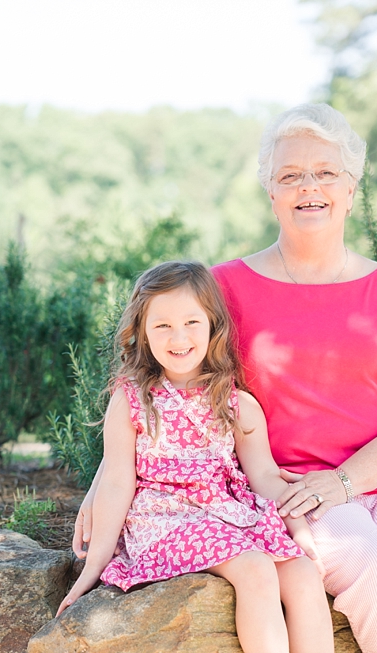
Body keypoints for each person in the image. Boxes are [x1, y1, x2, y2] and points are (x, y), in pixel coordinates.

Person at [73, 104, 377, 653]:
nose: (309, 188)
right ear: (271, 194)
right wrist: (106, 480)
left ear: (351, 189)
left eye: (326, 173)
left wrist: (347, 480)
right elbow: (160, 378)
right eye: (290, 176)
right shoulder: (224, 288)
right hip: (290, 492)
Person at [57, 261, 334, 653]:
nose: (178, 337)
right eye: (162, 325)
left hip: (224, 517)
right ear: (142, 332)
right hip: (163, 522)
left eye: (191, 322)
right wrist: (92, 569)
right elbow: (118, 482)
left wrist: (299, 532)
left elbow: (266, 479)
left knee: (304, 575)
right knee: (255, 569)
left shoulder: (236, 404)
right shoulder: (132, 400)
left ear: (212, 325)